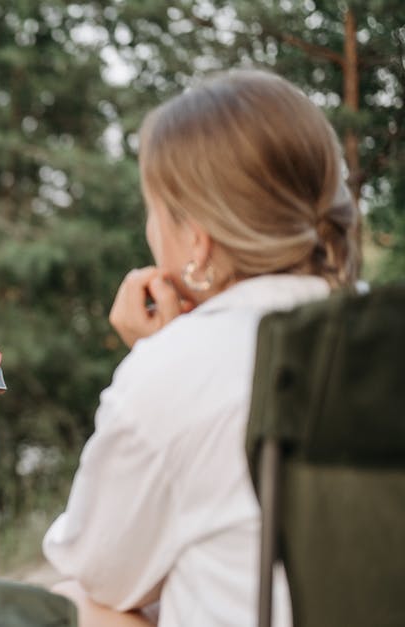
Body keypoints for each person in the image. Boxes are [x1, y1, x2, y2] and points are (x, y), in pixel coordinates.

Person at [41, 68, 361, 627]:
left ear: (196, 238)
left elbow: (99, 568)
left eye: (154, 209)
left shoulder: (171, 372)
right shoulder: (380, 332)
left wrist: (154, 359)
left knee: (80, 600)